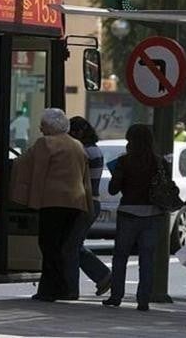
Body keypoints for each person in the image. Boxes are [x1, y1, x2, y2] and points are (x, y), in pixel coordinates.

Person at [11, 108, 94, 301]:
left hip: (52, 201)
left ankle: (50, 289)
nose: (40, 128)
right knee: (62, 246)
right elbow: (85, 178)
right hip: (75, 202)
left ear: (50, 126)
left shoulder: (45, 143)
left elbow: (36, 171)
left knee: (48, 245)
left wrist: (31, 200)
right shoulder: (77, 145)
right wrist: (87, 204)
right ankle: (63, 287)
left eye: (43, 124)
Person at [102, 124, 169, 312]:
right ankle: (143, 300)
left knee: (121, 256)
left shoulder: (124, 162)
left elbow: (113, 190)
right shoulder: (160, 162)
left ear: (129, 139)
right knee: (147, 259)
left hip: (128, 213)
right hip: (153, 214)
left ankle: (116, 296)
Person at [68, 116, 112, 296]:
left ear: (79, 133)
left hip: (85, 202)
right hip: (91, 201)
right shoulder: (94, 150)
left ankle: (101, 275)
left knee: (72, 246)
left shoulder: (85, 152)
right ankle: (102, 276)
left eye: (72, 133)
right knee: (73, 244)